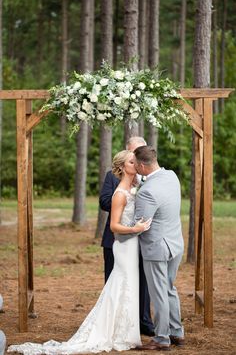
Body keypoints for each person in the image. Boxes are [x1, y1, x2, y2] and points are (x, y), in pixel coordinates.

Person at [8, 150, 151, 355]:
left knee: (127, 286)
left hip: (132, 245)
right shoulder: (119, 194)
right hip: (124, 245)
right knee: (123, 285)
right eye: (131, 161)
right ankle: (116, 333)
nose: (135, 164)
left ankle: (126, 333)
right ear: (121, 167)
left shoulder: (135, 188)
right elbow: (114, 226)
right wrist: (135, 229)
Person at [100, 136, 155, 337]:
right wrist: (124, 197)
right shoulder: (114, 179)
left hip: (143, 240)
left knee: (141, 282)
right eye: (134, 155)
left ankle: (143, 322)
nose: (139, 159)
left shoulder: (151, 177)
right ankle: (112, 324)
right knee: (116, 281)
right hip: (120, 239)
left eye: (141, 152)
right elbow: (105, 201)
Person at [133, 145, 185, 351]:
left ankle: (162, 338)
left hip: (157, 248)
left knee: (159, 293)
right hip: (175, 243)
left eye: (136, 165)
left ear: (143, 166)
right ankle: (177, 332)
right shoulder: (171, 176)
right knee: (169, 289)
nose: (135, 168)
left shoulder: (147, 192)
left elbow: (139, 225)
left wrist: (118, 230)